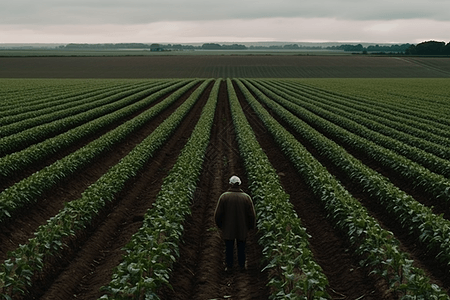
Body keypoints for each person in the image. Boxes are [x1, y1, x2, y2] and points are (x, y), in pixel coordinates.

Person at [214, 175, 256, 272]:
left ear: (230, 184)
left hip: (228, 228)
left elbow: (218, 214)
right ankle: (242, 266)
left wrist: (220, 225)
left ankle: (229, 267)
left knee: (229, 248)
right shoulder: (246, 198)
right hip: (242, 228)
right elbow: (252, 215)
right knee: (241, 248)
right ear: (240, 185)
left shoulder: (224, 197)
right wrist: (250, 226)